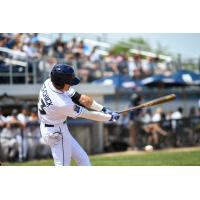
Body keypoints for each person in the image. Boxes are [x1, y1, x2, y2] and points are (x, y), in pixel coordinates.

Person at [38, 64, 120, 166]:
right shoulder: (62, 103)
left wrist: (103, 109)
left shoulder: (49, 82)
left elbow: (81, 99)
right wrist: (109, 117)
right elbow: (88, 115)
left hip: (54, 127)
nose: (71, 85)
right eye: (69, 83)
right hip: (56, 133)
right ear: (61, 82)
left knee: (83, 160)